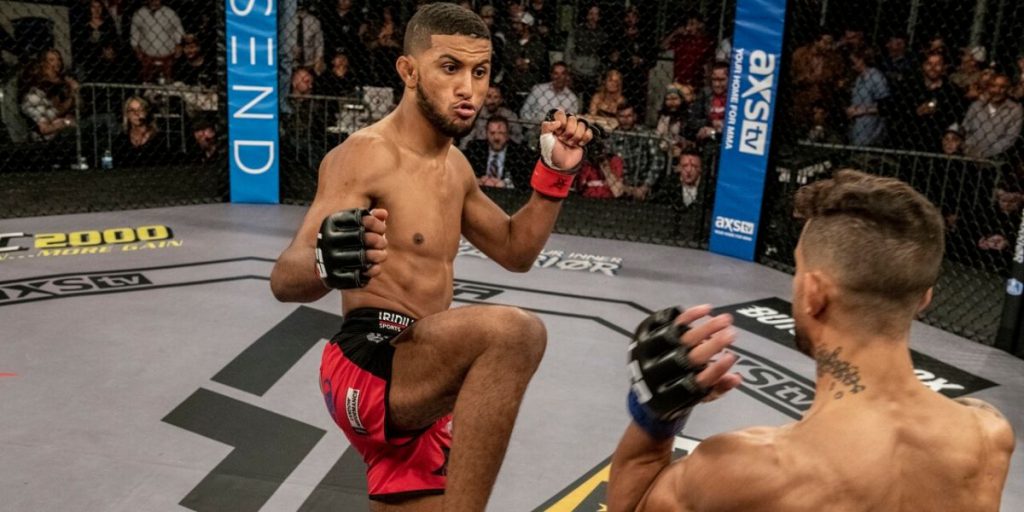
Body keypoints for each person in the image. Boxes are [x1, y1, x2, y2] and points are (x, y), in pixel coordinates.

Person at [269, 4, 593, 510]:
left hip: (421, 377)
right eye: (450, 67)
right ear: (409, 71)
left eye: (480, 72)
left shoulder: (456, 167)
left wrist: (555, 176)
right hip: (371, 359)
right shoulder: (367, 154)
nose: (468, 89)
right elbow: (284, 279)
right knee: (516, 333)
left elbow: (515, 250)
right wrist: (324, 263)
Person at [607, 170, 1015, 512]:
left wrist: (656, 418)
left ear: (812, 293)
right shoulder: (987, 435)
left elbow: (633, 505)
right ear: (924, 298)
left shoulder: (749, 470)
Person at [464, 115, 532, 189]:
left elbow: (525, 182)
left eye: (501, 133)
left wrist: (505, 184)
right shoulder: (475, 148)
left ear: (507, 135)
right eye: (492, 133)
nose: (496, 138)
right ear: (486, 134)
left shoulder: (520, 153)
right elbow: (463, 173)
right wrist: (477, 181)